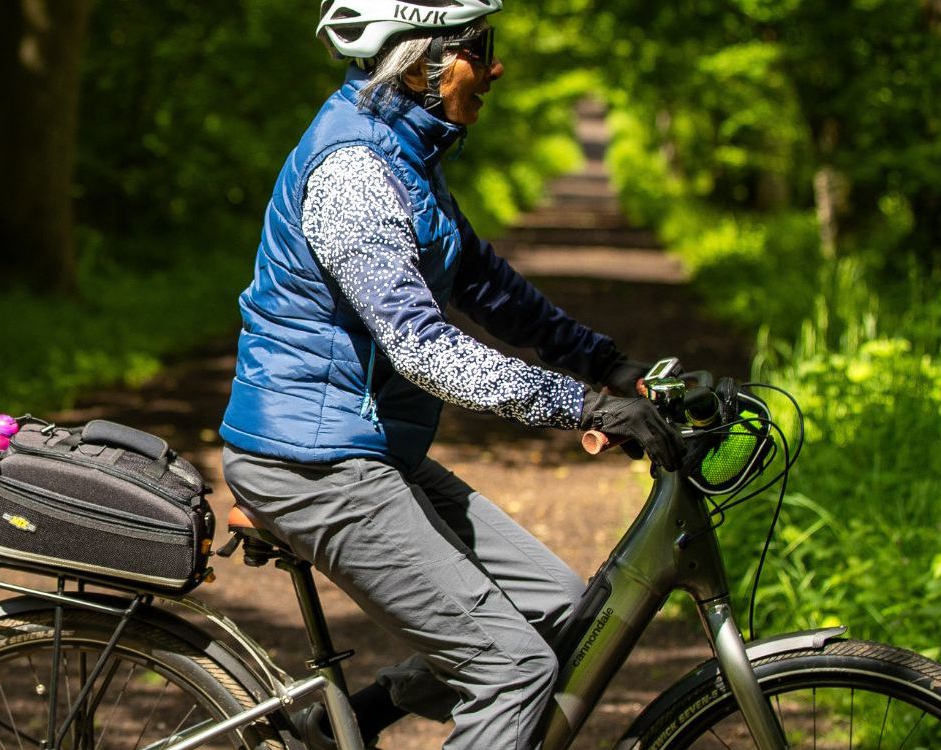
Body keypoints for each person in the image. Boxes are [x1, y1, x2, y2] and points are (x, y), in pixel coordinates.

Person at [216, 2, 685, 749]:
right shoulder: (356, 172)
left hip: (364, 451)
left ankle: (356, 720)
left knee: (562, 607)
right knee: (512, 668)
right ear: (418, 59)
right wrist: (582, 409)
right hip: (311, 462)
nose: (494, 68)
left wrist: (607, 367)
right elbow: (423, 348)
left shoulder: (406, 158)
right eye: (479, 48)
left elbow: (492, 290)